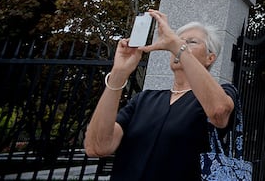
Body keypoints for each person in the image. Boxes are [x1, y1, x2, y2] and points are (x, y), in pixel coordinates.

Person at [84, 10, 237, 181]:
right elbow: (96, 147)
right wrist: (119, 73)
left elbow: (219, 112)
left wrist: (178, 46)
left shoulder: (223, 93)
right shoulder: (144, 99)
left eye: (191, 42)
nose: (180, 46)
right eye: (178, 42)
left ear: (210, 58)